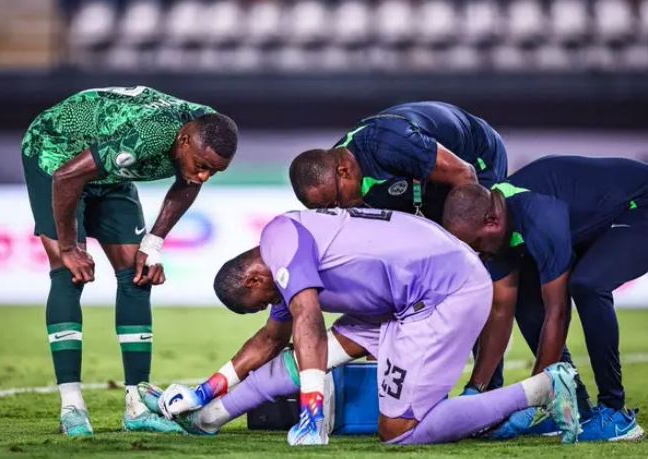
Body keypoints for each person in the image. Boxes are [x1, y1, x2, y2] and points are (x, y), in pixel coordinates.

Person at [142, 208, 579, 445]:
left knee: (399, 433)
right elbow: (273, 339)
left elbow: (308, 322)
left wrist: (312, 413)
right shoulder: (282, 254)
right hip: (399, 298)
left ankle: (543, 387)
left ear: (255, 280)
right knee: (300, 357)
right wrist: (205, 393)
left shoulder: (284, 250)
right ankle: (209, 420)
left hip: (445, 292)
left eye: (266, 301)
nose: (273, 306)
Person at [21, 85, 238, 437]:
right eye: (201, 167)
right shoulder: (151, 135)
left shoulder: (205, 131)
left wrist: (153, 244)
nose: (203, 176)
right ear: (184, 141)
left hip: (106, 165)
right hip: (56, 155)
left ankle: (136, 405)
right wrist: (69, 247)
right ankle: (72, 406)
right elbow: (66, 176)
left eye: (213, 172)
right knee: (68, 272)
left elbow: (188, 183)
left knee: (138, 275)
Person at [441, 155, 648, 442]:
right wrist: (475, 390)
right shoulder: (497, 222)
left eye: (476, 243)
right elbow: (500, 311)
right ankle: (573, 404)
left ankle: (615, 413)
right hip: (600, 220)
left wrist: (530, 401)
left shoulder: (538, 216)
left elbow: (558, 312)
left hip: (639, 206)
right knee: (525, 296)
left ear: (492, 221)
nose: (477, 253)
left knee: (588, 284)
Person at [288, 101, 507, 222]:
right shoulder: (339, 166)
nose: (337, 211)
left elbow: (464, 174)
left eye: (334, 202)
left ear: (343, 171)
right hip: (421, 176)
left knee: (475, 236)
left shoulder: (388, 144)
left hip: (476, 158)